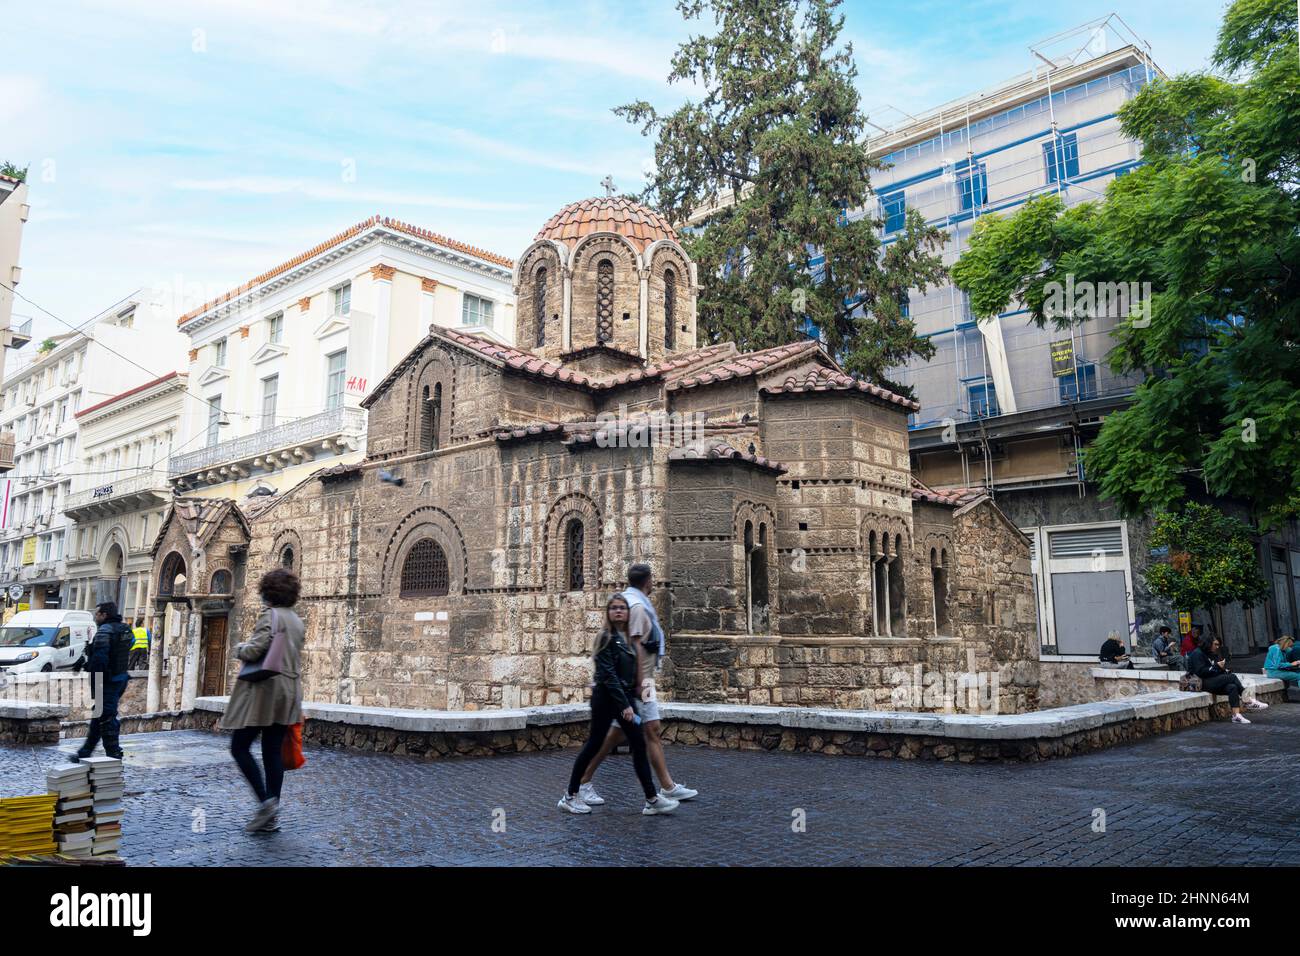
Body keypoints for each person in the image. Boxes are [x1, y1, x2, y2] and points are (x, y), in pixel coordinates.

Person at [574, 563, 698, 808]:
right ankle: (586, 782)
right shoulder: (639, 606)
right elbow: (637, 647)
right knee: (632, 732)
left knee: (643, 730)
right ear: (648, 581)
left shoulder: (632, 600)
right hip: (641, 681)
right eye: (652, 580)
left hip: (638, 681)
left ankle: (666, 787)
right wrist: (640, 686)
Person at [559, 594, 678, 816]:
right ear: (608, 613)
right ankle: (570, 796)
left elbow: (630, 674)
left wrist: (636, 695)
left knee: (638, 745)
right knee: (593, 745)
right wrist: (625, 706)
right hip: (606, 700)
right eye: (613, 608)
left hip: (621, 699)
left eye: (622, 607)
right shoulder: (605, 638)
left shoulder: (627, 640)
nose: (618, 611)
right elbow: (610, 676)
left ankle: (652, 798)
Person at [220, 568, 305, 833]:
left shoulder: (270, 615)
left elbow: (257, 649)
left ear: (268, 592)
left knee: (239, 746)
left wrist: (239, 648)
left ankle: (265, 802)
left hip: (265, 692)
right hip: (289, 692)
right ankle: (272, 817)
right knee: (272, 753)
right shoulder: (296, 620)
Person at [75, 602, 134, 761]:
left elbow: (100, 659)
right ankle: (86, 751)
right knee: (99, 714)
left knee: (106, 717)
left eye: (97, 614)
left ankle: (113, 753)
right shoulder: (126, 630)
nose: (95, 617)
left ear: (104, 615)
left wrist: (95, 680)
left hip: (106, 681)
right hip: (120, 678)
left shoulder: (105, 631)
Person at [1186, 635, 1266, 724]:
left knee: (1232, 687)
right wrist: (1216, 666)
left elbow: (1213, 670)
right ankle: (1248, 700)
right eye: (1215, 644)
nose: (1217, 647)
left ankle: (1236, 716)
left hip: (1211, 680)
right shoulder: (1197, 653)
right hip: (1200, 683)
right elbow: (1200, 672)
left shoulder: (1211, 654)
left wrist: (1223, 669)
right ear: (1208, 643)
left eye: (1218, 645)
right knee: (1232, 677)